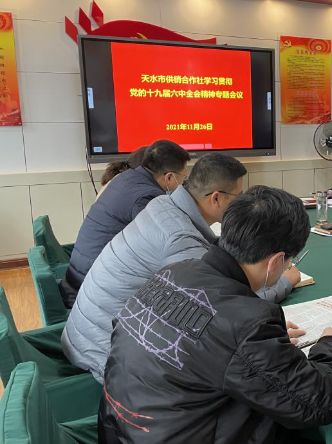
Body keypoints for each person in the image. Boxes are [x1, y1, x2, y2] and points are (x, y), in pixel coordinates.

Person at [99, 186, 332, 444]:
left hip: (126, 443)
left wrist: (264, 348)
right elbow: (321, 402)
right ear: (276, 261)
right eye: (289, 260)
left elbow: (211, 341)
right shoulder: (246, 324)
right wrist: (330, 345)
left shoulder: (174, 271)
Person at [63, 154, 300, 382]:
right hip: (104, 353)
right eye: (238, 197)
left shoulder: (163, 204)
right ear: (216, 198)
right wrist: (283, 283)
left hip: (86, 333)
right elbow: (215, 308)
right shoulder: (181, 240)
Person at [60, 140, 190, 307]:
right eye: (183, 178)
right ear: (169, 177)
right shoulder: (147, 197)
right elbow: (165, 246)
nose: (183, 183)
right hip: (92, 291)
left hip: (78, 278)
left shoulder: (126, 178)